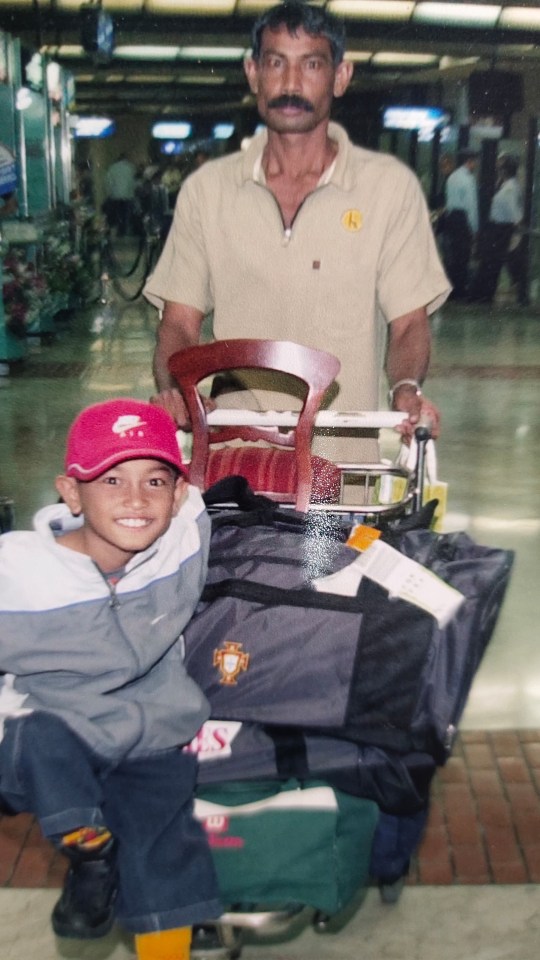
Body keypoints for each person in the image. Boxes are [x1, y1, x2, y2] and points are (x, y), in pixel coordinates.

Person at [144, 0, 450, 458]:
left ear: (340, 76)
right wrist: (175, 388)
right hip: (234, 463)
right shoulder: (207, 191)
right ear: (253, 74)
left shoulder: (389, 189)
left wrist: (405, 389)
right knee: (235, 531)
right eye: (275, 63)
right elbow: (179, 322)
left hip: (341, 470)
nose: (291, 84)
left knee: (334, 534)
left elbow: (408, 324)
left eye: (311, 64)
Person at [0, 398, 221, 960]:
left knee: (164, 852)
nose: (135, 498)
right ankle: (90, 853)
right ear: (71, 492)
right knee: (35, 739)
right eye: (111, 479)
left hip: (154, 734)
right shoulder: (19, 572)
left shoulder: (183, 538)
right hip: (58, 732)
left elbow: (218, 488)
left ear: (176, 495)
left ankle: (163, 931)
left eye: (154, 481)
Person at [470, 154, 523, 304]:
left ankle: (484, 296)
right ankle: (484, 295)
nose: (498, 171)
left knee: (491, 263)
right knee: (491, 263)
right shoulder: (508, 186)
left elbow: (515, 215)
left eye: (500, 168)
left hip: (501, 230)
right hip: (499, 229)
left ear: (504, 171)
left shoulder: (509, 189)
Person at [443, 148, 479, 300]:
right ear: (469, 161)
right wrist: (474, 228)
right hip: (463, 219)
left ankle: (452, 290)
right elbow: (471, 206)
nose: (475, 165)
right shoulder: (468, 179)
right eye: (474, 162)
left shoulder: (452, 177)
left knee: (453, 256)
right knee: (463, 256)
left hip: (452, 218)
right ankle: (460, 291)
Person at [104, 153, 137, 236]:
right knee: (125, 215)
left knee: (117, 214)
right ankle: (123, 231)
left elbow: (108, 182)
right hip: (128, 196)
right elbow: (133, 182)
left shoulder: (112, 168)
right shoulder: (131, 168)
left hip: (115, 196)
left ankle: (117, 229)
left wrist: (109, 193)